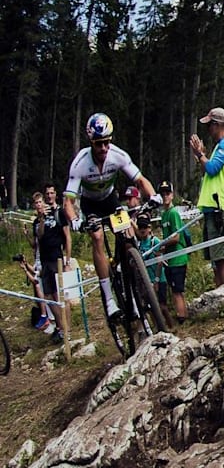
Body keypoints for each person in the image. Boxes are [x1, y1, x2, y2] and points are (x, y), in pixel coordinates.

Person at [63, 112, 158, 319]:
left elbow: (141, 180)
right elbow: (68, 201)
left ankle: (130, 285)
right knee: (97, 237)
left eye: (107, 142)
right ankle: (108, 299)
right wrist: (75, 221)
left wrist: (153, 196)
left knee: (126, 233)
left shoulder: (118, 155)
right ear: (91, 142)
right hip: (90, 204)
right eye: (99, 144)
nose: (104, 148)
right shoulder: (80, 163)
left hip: (109, 200)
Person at [189, 106, 224, 287]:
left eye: (210, 125)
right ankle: (219, 293)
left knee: (222, 258)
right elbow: (208, 170)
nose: (208, 129)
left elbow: (212, 168)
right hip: (213, 207)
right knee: (216, 260)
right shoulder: (220, 146)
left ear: (217, 125)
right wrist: (199, 156)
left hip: (220, 207)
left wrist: (200, 154)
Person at [30, 191, 68, 338]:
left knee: (57, 294)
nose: (39, 205)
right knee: (48, 295)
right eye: (37, 203)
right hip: (44, 260)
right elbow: (39, 236)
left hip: (55, 257)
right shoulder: (36, 222)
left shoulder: (55, 214)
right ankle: (60, 326)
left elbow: (65, 235)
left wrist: (67, 257)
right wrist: (40, 220)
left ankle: (64, 327)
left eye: (41, 202)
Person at [156, 181, 191, 324]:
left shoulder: (173, 213)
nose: (165, 196)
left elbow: (175, 237)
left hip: (178, 256)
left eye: (167, 193)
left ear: (172, 195)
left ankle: (182, 317)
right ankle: (181, 314)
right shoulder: (164, 215)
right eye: (162, 194)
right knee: (174, 289)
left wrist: (162, 243)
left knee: (177, 290)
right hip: (170, 258)